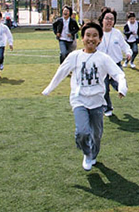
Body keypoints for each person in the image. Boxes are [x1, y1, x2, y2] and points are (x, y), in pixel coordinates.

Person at [42, 22, 128, 171]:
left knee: (96, 135)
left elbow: (118, 74)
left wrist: (122, 88)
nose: (91, 39)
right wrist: (49, 89)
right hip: (79, 100)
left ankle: (93, 154)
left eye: (95, 36)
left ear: (100, 39)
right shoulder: (75, 56)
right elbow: (61, 71)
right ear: (82, 38)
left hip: (97, 102)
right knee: (82, 132)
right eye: (88, 35)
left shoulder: (103, 58)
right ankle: (87, 153)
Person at [97, 8, 132, 117]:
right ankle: (108, 107)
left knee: (122, 86)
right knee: (104, 90)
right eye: (107, 18)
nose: (109, 21)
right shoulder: (97, 33)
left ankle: (113, 81)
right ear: (102, 19)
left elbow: (125, 46)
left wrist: (128, 52)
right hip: (102, 67)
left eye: (112, 19)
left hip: (116, 65)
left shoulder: (117, 33)